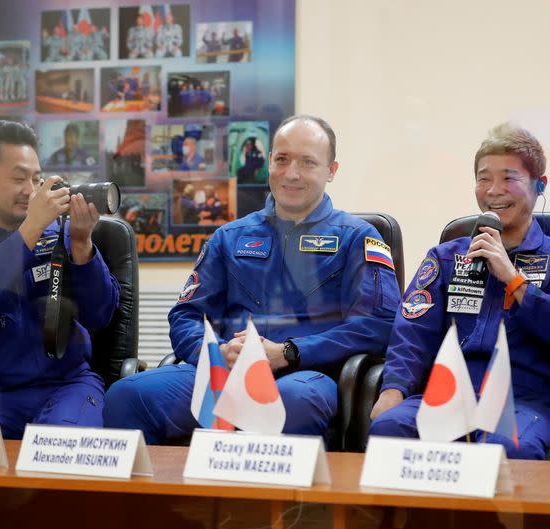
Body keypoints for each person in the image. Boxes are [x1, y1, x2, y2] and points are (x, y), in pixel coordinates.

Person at [104, 115, 401, 443]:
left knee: (290, 403)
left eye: (308, 162)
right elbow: (186, 316)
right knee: (126, 395)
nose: (291, 174)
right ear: (269, 161)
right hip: (225, 373)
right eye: (282, 159)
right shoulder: (229, 237)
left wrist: (289, 351)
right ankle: (176, 496)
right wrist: (218, 351)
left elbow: (378, 325)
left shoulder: (357, 239)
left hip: (305, 375)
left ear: (331, 171)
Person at [368, 123, 550, 460]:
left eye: (509, 178)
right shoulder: (447, 256)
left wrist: (512, 278)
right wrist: (393, 390)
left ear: (540, 185)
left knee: (505, 450)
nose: (494, 190)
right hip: (448, 392)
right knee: (388, 430)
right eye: (483, 178)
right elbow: (413, 331)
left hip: (522, 398)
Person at [0, 120, 120, 439]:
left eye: (36, 178)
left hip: (69, 386)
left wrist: (81, 245)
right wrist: (30, 229)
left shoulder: (62, 235)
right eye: (19, 178)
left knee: (59, 449)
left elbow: (100, 314)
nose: (31, 190)